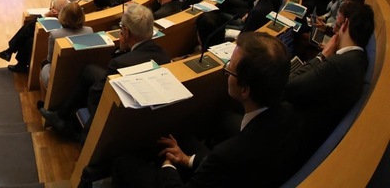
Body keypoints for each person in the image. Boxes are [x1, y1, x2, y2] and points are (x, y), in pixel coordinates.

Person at [113, 32, 300, 188]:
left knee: (123, 162)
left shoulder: (227, 155)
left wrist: (168, 166)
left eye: (230, 68)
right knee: (185, 139)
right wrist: (188, 160)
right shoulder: (292, 114)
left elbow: (222, 163)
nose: (226, 70)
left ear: (244, 90)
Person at [39, 4, 170, 135]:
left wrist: (121, 49)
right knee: (89, 70)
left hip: (114, 115)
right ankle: (62, 114)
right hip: (144, 110)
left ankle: (67, 120)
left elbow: (95, 96)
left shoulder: (119, 63)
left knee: (90, 88)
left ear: (126, 32)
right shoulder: (164, 55)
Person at [285, 2, 373, 161]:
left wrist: (322, 55)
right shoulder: (361, 59)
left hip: (294, 135)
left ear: (346, 24)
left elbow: (289, 86)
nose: (333, 29)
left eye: (337, 24)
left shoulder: (339, 64)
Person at [0, 0, 70, 73]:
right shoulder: (70, 14)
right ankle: (12, 55)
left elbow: (33, 26)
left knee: (28, 35)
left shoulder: (59, 22)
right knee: (28, 33)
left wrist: (45, 15)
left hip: (48, 48)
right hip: (49, 42)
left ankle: (11, 53)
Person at [39, 2, 93, 88]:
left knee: (44, 65)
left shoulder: (55, 34)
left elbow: (50, 59)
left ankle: (44, 100)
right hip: (80, 71)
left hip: (60, 74)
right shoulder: (89, 31)